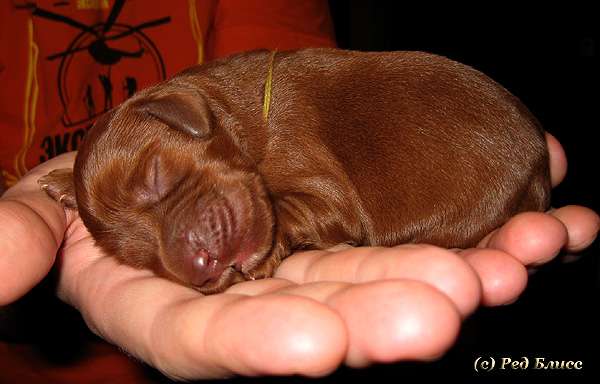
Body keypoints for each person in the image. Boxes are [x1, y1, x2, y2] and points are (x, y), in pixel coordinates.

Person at [1, 1, 598, 382]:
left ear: (187, 113)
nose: (186, 253)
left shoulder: (279, 113)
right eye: (144, 254)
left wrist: (280, 238)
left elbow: (329, 200)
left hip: (459, 174)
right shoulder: (206, 120)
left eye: (162, 184)